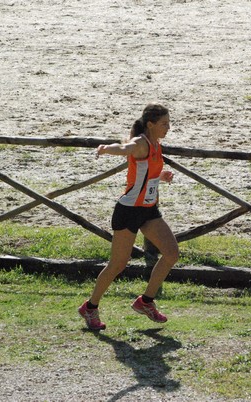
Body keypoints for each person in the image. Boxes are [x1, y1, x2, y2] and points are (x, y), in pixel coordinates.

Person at [79, 103, 179, 330]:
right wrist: (106, 149)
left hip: (148, 210)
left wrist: (161, 176)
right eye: (164, 123)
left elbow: (146, 175)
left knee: (171, 253)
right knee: (118, 264)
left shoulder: (156, 145)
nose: (168, 127)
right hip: (128, 211)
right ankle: (90, 307)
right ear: (151, 124)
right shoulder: (141, 143)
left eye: (169, 123)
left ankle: (145, 302)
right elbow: (125, 149)